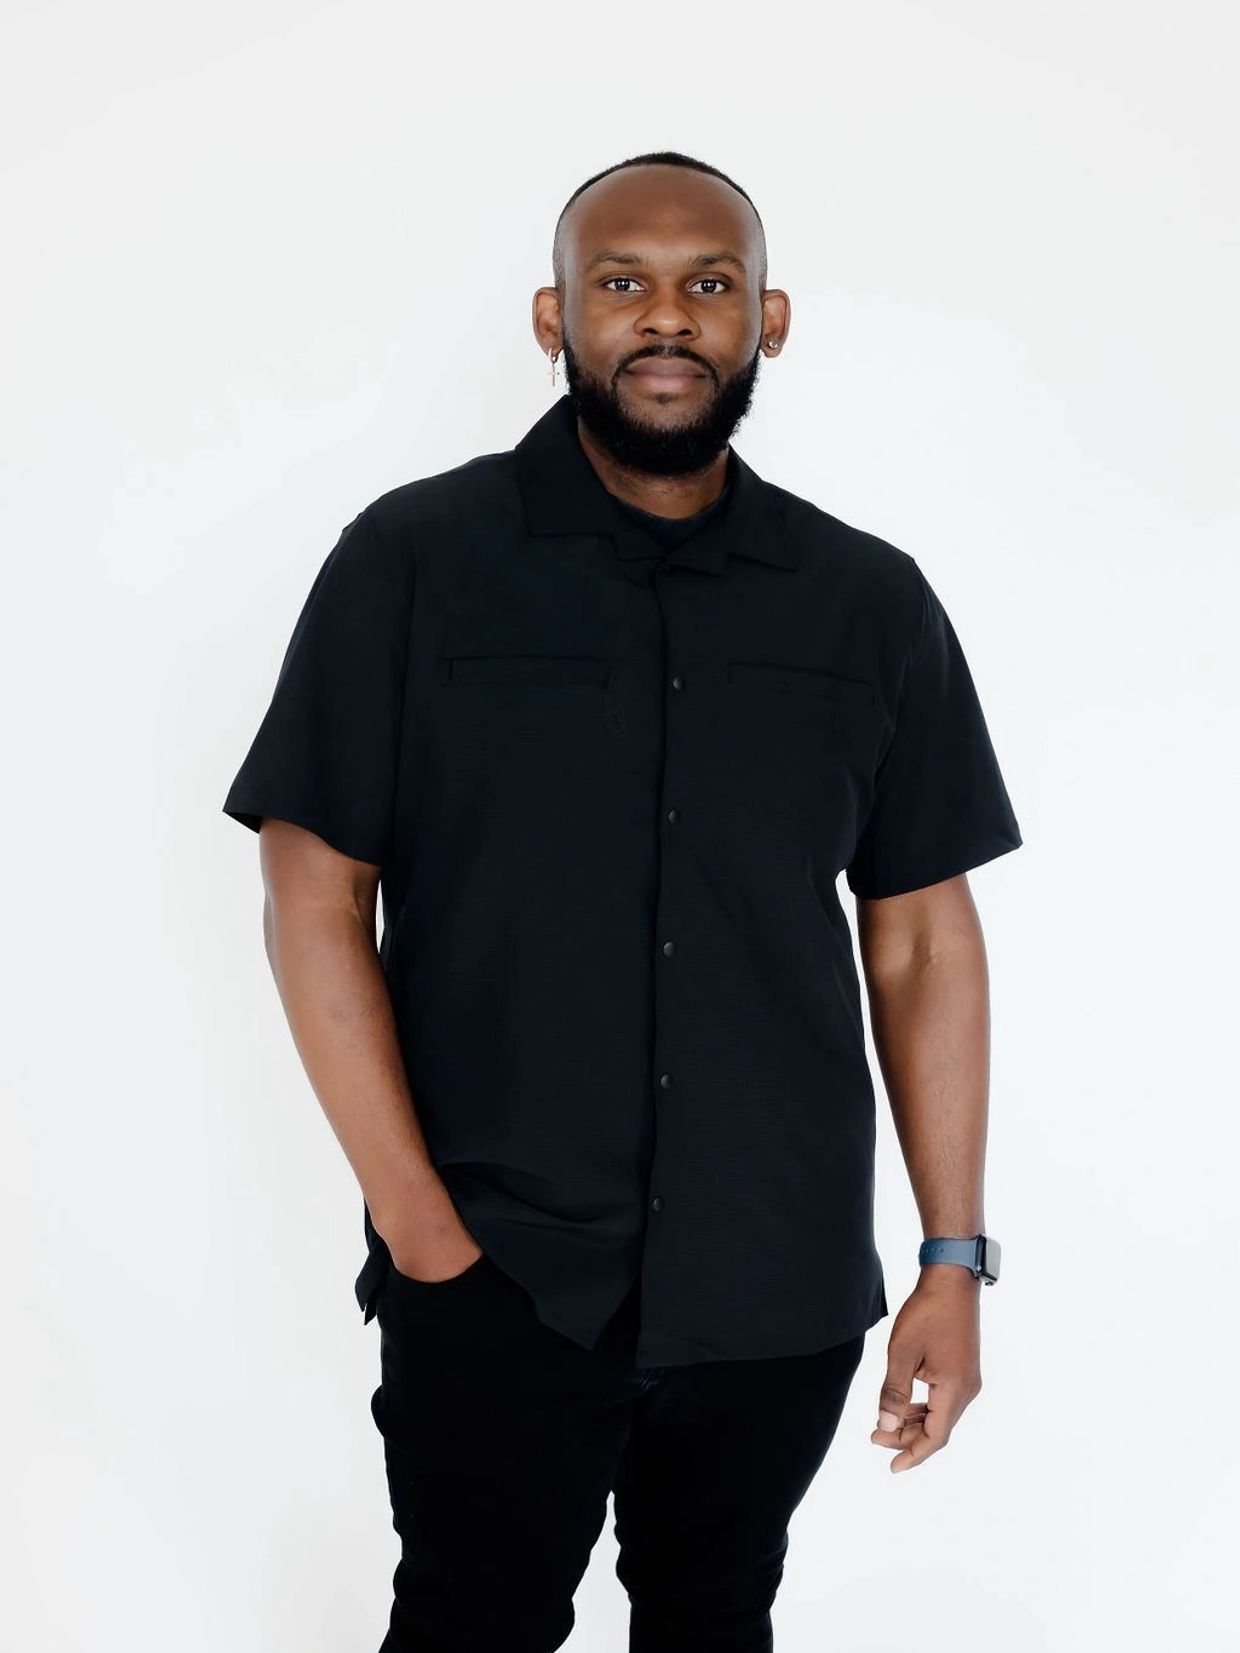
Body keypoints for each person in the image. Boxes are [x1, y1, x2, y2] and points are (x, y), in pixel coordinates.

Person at [222, 149, 1023, 1653]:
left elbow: (920, 937)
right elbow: (312, 888)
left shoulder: (868, 601)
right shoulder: (414, 562)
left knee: (716, 1622)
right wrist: (423, 1233)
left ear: (767, 320)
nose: (669, 317)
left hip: (774, 1282)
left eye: (708, 285)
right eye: (624, 284)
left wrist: (951, 1253)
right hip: (499, 1267)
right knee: (469, 1626)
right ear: (555, 318)